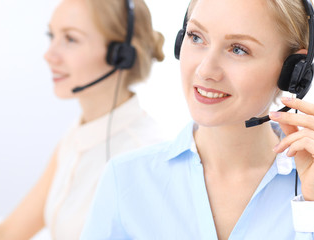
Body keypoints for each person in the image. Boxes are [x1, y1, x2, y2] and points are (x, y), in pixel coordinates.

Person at [81, 0, 314, 239]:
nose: (205, 70)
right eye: (196, 37)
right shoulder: (127, 179)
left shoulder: (309, 181)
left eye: (238, 49)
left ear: (295, 70)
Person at [0, 0, 165, 239]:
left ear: (121, 55)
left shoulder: (144, 158)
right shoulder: (76, 137)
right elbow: (7, 232)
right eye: (52, 35)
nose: (49, 55)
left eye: (71, 39)